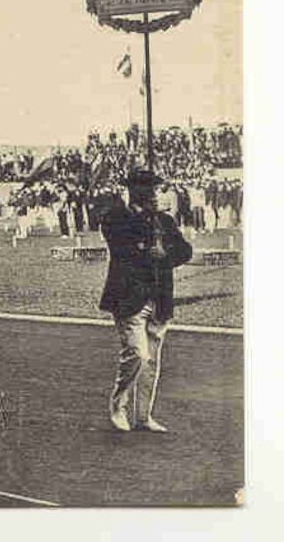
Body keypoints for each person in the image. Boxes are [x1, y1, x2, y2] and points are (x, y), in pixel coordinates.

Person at [99, 169, 192, 433]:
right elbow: (122, 249)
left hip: (160, 297)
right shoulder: (116, 217)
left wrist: (166, 254)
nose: (153, 192)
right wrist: (144, 217)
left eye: (154, 188)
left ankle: (143, 415)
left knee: (152, 361)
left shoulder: (164, 220)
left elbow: (185, 251)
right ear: (133, 191)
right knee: (137, 354)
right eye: (146, 188)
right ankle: (118, 404)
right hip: (129, 296)